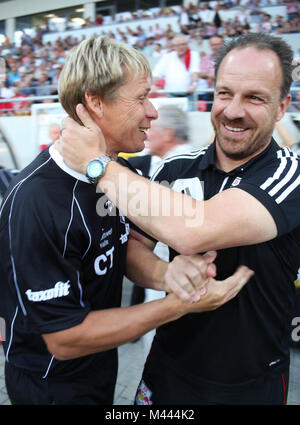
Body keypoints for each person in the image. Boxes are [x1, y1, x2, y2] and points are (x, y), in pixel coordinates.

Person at [0, 36, 252, 406]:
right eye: (141, 98)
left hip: (100, 368)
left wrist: (166, 275)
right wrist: (177, 305)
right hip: (50, 386)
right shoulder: (35, 201)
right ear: (95, 102)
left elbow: (123, 245)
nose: (153, 111)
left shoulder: (116, 169)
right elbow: (65, 339)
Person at [59, 33, 300, 405]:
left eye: (254, 97)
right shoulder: (177, 167)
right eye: (224, 93)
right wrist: (162, 274)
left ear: (282, 105)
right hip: (166, 370)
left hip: (248, 384)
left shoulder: (289, 174)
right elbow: (135, 246)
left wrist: (98, 166)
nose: (233, 110)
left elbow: (196, 231)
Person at [129, 105, 195, 354]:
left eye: (152, 127)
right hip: (167, 274)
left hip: (171, 276)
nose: (146, 131)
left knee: (158, 347)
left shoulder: (179, 165)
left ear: (168, 133)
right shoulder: (179, 161)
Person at [151, 34, 200, 111]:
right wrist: (152, 84)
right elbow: (156, 73)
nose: (181, 47)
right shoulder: (167, 57)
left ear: (187, 45)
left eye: (183, 44)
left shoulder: (193, 54)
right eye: (178, 45)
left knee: (191, 120)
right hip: (171, 96)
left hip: (188, 96)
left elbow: (195, 72)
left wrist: (194, 84)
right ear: (174, 46)